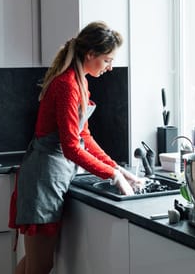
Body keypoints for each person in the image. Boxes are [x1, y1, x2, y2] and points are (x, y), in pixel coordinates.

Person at [9, 21, 144, 274]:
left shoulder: (79, 81)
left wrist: (117, 169)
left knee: (33, 265)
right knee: (40, 266)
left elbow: (84, 136)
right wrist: (112, 175)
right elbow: (72, 147)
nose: (110, 67)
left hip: (54, 175)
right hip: (43, 179)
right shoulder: (67, 85)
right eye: (107, 60)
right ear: (90, 55)